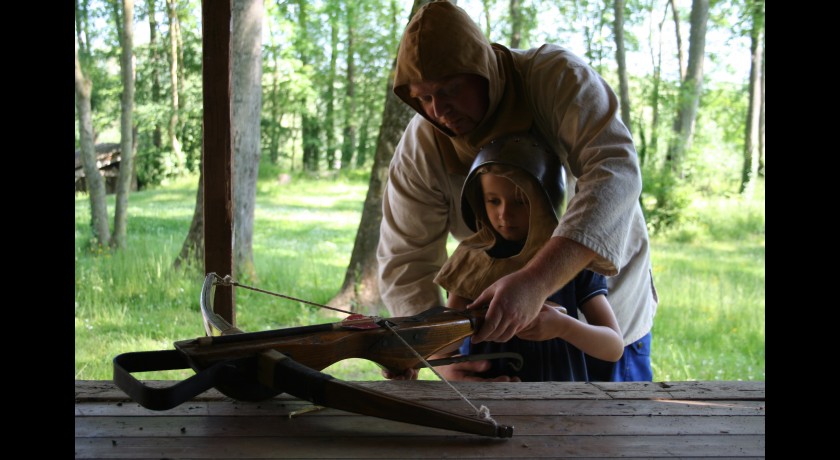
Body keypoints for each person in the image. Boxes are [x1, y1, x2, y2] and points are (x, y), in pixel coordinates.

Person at [377, 0, 657, 381]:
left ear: (483, 71)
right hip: (502, 350)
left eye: (450, 90)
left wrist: (536, 281)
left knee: (613, 435)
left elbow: (615, 172)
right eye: (423, 98)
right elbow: (405, 259)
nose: (438, 110)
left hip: (604, 320)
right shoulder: (422, 145)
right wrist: (438, 358)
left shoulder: (556, 79)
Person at [432, 133, 624, 382]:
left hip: (562, 405)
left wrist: (564, 327)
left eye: (520, 201)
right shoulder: (471, 260)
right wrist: (415, 359)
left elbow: (613, 347)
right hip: (495, 402)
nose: (504, 214)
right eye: (493, 201)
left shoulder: (571, 258)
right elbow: (444, 343)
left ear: (547, 200)